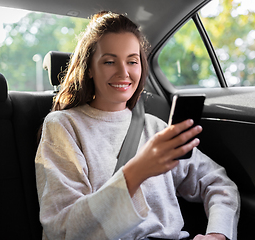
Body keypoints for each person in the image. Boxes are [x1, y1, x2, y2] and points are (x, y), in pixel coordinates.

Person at [35, 11, 240, 240]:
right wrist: (138, 170)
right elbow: (63, 231)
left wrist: (217, 233)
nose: (124, 72)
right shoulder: (63, 126)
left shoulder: (156, 128)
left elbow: (218, 183)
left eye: (132, 61)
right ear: (90, 68)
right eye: (110, 61)